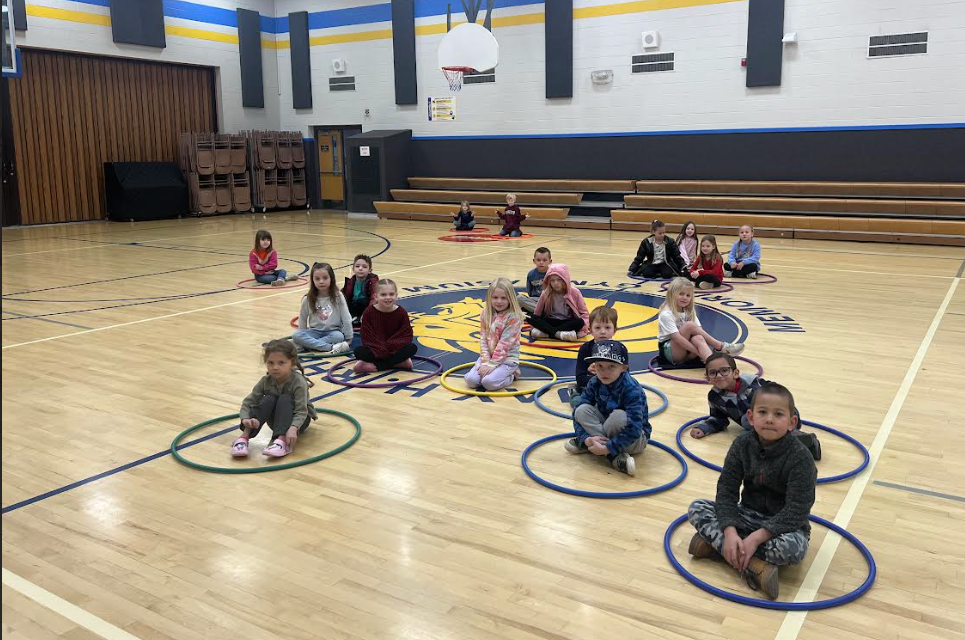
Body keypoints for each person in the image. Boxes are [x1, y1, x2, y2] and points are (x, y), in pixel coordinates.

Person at [687, 382, 817, 600]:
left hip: (782, 526)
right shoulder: (741, 444)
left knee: (794, 549)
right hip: (745, 515)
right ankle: (756, 565)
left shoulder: (801, 458)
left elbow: (797, 510)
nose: (769, 419)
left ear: (792, 422)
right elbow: (726, 490)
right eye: (762, 412)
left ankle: (716, 547)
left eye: (778, 414)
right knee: (697, 508)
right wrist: (729, 531)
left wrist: (757, 537)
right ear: (751, 417)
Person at [688, 352, 822, 460]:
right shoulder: (714, 397)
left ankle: (801, 440)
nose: (718, 376)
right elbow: (718, 419)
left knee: (752, 425)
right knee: (745, 440)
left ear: (735, 373)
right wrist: (704, 428)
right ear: (707, 378)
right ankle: (799, 444)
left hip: (781, 418)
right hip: (756, 427)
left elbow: (780, 402)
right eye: (713, 373)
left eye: (724, 371)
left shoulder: (756, 386)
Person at [565, 340, 650, 477]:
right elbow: (577, 413)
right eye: (600, 366)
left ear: (623, 368)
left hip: (635, 439)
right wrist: (586, 438)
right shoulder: (594, 382)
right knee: (581, 409)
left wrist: (607, 448)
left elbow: (634, 428)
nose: (605, 372)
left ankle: (600, 449)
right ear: (594, 366)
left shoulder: (631, 389)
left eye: (611, 366)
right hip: (607, 426)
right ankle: (607, 452)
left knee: (618, 417)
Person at [231, 339, 317, 459]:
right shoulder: (265, 381)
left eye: (281, 362)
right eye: (270, 363)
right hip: (276, 422)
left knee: (285, 399)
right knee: (268, 399)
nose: (275, 367)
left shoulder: (298, 382)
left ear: (292, 363)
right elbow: (249, 402)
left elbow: (301, 410)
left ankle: (281, 441)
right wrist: (245, 418)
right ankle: (243, 437)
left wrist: (293, 428)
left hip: (299, 422)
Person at [658, 277, 744, 365]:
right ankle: (720, 346)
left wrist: (701, 350)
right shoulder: (666, 313)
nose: (685, 298)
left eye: (688, 295)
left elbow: (699, 332)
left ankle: (714, 366)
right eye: (681, 294)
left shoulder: (689, 311)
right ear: (672, 294)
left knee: (698, 337)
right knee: (689, 325)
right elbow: (677, 338)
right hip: (671, 352)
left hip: (688, 350)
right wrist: (698, 352)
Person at [464, 278, 523, 391]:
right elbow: (483, 339)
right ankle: (495, 372)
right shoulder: (485, 313)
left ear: (510, 299)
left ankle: (511, 375)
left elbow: (504, 345)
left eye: (503, 298)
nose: (499, 301)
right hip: (489, 358)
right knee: (471, 381)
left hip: (507, 359)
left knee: (488, 383)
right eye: (495, 297)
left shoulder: (513, 317)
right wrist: (486, 361)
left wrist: (491, 365)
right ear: (489, 298)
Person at [354, 279, 418, 373]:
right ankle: (399, 363)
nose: (388, 297)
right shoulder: (369, 312)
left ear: (396, 295)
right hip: (376, 349)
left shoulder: (401, 312)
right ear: (376, 296)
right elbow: (367, 335)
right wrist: (381, 348)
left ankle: (378, 366)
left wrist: (390, 346)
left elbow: (406, 335)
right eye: (383, 295)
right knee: (359, 351)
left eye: (391, 294)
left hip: (395, 348)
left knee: (412, 348)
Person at [293, 262, 353, 354]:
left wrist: (349, 338)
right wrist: (302, 335)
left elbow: (346, 317)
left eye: (325, 278)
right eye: (317, 278)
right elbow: (302, 319)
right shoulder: (307, 299)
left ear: (331, 279)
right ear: (312, 280)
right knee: (296, 335)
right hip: (314, 332)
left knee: (339, 336)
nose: (321, 281)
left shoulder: (338, 296)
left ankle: (307, 345)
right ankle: (330, 347)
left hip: (333, 332)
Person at [528, 264, 589, 342]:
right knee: (530, 317)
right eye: (552, 280)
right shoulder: (546, 293)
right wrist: (534, 324)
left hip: (567, 322)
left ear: (565, 279)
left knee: (579, 322)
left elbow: (584, 313)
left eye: (559, 279)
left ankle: (548, 333)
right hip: (551, 321)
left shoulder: (575, 292)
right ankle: (559, 334)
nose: (555, 283)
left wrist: (583, 329)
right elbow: (537, 313)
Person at [574, 305, 618, 394]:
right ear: (590, 330)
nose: (602, 331)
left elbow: (625, 376)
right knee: (577, 400)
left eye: (607, 327)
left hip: (612, 390)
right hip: (591, 390)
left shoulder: (619, 349)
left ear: (615, 330)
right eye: (597, 328)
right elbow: (580, 378)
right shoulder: (585, 349)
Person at [341, 254, 379, 327]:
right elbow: (343, 295)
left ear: (370, 270)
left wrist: (366, 314)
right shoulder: (351, 281)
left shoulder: (373, 282)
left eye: (364, 267)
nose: (360, 268)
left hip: (367, 308)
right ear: (353, 269)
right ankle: (354, 318)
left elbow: (374, 300)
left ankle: (361, 318)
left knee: (362, 301)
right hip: (354, 307)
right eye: (357, 266)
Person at [518, 247, 551, 314]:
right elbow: (529, 291)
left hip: (549, 301)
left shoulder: (553, 273)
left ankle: (538, 311)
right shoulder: (531, 274)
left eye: (544, 260)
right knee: (519, 298)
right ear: (534, 261)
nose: (541, 262)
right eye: (538, 260)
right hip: (535, 300)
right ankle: (542, 312)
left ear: (550, 261)